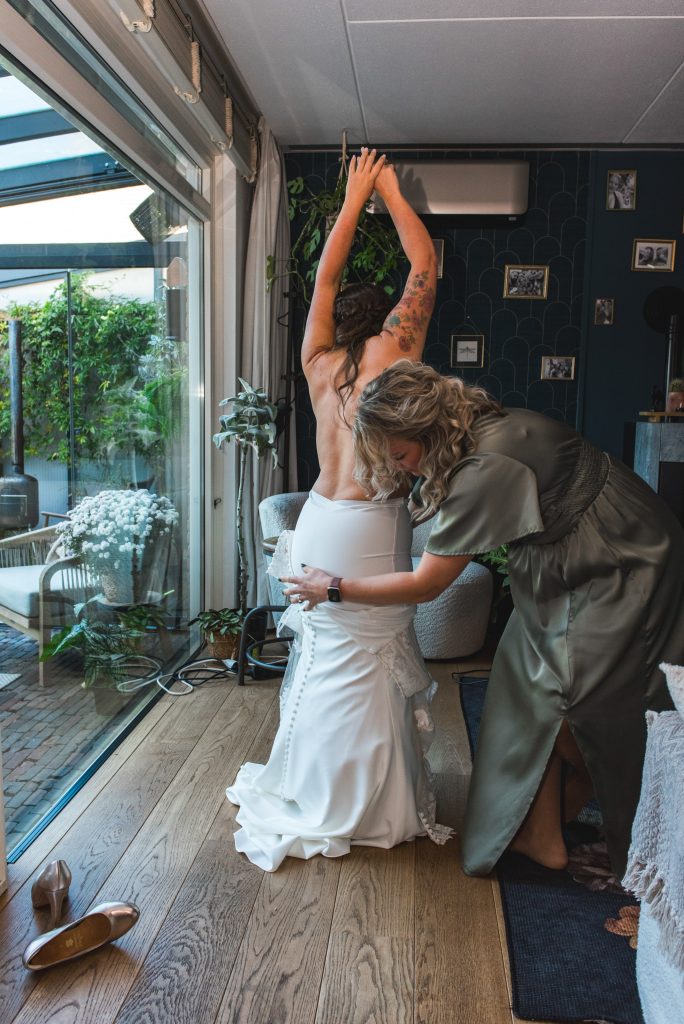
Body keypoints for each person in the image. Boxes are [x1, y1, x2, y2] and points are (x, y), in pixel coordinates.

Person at [282, 360, 684, 878]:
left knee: (588, 696)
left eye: (401, 455)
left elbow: (427, 584)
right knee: (522, 678)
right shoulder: (472, 429)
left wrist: (333, 587)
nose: (404, 469)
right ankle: (541, 831)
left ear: (425, 430)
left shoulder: (483, 468)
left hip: (620, 558)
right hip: (566, 555)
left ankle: (626, 809)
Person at [226, 150, 443, 871]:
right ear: (382, 315)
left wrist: (351, 200)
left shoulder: (318, 362)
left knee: (324, 662)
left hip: (318, 517)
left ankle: (312, 788)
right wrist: (388, 188)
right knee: (369, 665)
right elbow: (424, 265)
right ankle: (369, 803)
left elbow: (320, 277)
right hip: (372, 526)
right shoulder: (398, 350)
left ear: (337, 318)